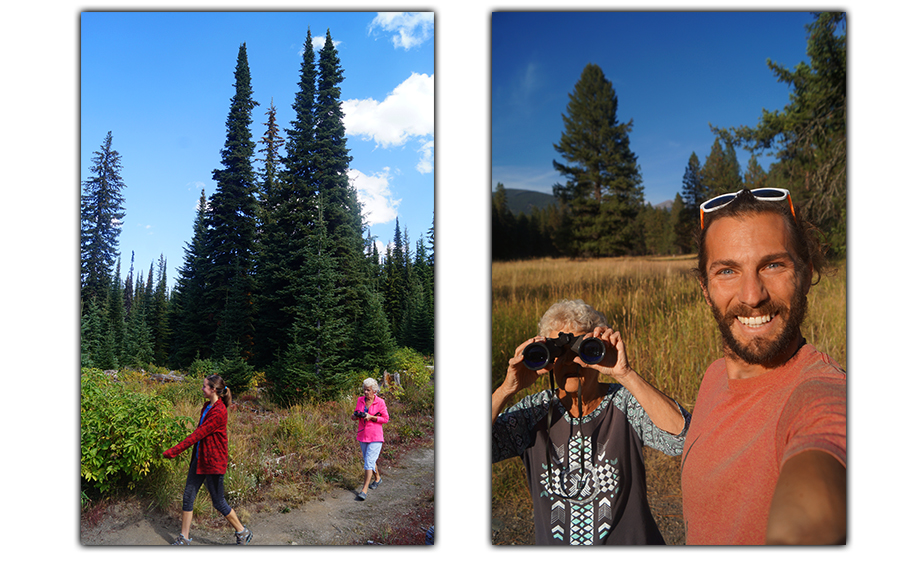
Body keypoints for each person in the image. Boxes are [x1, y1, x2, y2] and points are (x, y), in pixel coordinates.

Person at [681, 188, 846, 545]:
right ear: (705, 288)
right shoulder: (714, 375)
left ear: (805, 273)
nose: (752, 295)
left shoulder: (820, 394)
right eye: (727, 271)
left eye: (773, 265)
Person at [492, 299, 690, 545]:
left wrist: (625, 374)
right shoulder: (534, 412)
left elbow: (681, 439)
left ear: (599, 350)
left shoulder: (624, 403)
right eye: (557, 353)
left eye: (580, 350)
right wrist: (506, 389)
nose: (568, 362)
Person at [163, 374, 253, 545]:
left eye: (204, 386)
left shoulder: (219, 411)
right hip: (200, 459)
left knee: (219, 502)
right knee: (188, 496)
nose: (202, 388)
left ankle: (243, 532)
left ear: (213, 390)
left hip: (213, 463)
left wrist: (174, 451)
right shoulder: (207, 406)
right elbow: (200, 435)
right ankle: (184, 539)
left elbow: (198, 434)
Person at [353, 377, 390, 501]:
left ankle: (364, 490)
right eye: (364, 390)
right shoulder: (360, 400)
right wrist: (355, 416)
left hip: (375, 436)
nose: (365, 392)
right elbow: (356, 413)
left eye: (368, 390)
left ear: (374, 390)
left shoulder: (380, 402)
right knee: (369, 460)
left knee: (368, 462)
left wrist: (372, 417)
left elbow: (385, 419)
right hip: (363, 435)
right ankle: (378, 479)